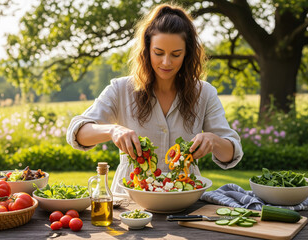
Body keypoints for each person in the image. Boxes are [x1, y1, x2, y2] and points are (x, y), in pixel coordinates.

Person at [66, 4, 243, 194]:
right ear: (147, 50)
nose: (166, 62)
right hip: (129, 199)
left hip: (184, 197)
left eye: (176, 54)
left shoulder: (204, 93)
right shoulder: (121, 89)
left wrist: (214, 140)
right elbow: (77, 133)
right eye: (158, 53)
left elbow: (231, 154)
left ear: (187, 54)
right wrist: (113, 130)